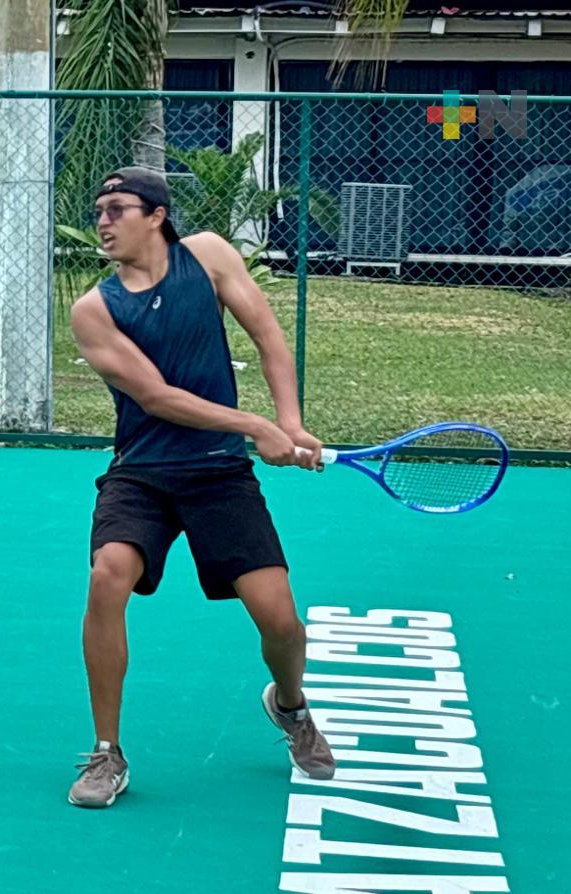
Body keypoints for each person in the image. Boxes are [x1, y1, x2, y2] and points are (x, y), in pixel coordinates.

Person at [67, 166, 336, 809]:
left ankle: (291, 707)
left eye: (117, 208)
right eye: (98, 208)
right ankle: (106, 752)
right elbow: (156, 397)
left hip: (219, 474)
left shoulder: (209, 256)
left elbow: (268, 336)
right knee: (109, 575)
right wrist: (255, 425)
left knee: (281, 622)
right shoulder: (95, 310)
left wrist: (290, 423)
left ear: (156, 214)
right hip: (143, 473)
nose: (103, 220)